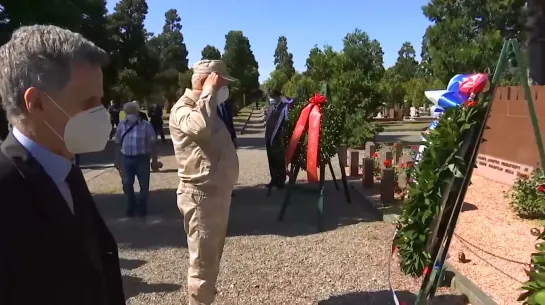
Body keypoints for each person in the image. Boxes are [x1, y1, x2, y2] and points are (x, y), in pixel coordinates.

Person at [0, 25, 125, 305]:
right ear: (37, 103)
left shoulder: (65, 167)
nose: (100, 113)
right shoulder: (5, 189)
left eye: (101, 102)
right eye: (88, 102)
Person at [169, 59, 239, 305]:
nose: (223, 88)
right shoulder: (184, 108)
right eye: (220, 82)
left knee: (210, 262)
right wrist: (209, 91)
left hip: (214, 194)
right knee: (201, 266)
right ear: (206, 80)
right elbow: (199, 129)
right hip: (200, 197)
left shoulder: (205, 107)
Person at [114, 102, 159, 218]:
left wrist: (154, 160)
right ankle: (131, 204)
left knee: (144, 185)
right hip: (126, 158)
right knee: (127, 183)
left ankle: (142, 207)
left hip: (142, 159)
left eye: (132, 112)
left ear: (137, 112)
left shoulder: (146, 125)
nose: (130, 114)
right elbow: (118, 143)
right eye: (128, 112)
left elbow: (153, 143)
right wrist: (117, 159)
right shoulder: (121, 125)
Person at [264, 90, 290, 189]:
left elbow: (286, 122)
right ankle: (274, 179)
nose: (272, 99)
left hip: (278, 138)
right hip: (269, 137)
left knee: (279, 160)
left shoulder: (284, 107)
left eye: (273, 96)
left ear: (278, 96)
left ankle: (281, 180)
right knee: (271, 160)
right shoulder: (271, 107)